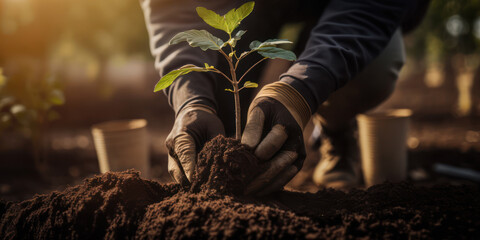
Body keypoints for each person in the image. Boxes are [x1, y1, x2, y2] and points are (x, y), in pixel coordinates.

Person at [140, 0, 430, 195]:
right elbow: (171, 9)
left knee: (375, 65)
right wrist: (191, 100)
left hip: (346, 7)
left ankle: (336, 130)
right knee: (216, 118)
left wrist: (300, 90)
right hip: (245, 7)